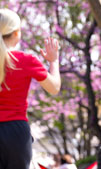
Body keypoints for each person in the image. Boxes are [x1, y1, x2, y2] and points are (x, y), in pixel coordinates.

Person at [0, 8, 61, 169]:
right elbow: (54, 87)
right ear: (16, 33)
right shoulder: (26, 60)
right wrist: (53, 61)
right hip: (16, 133)